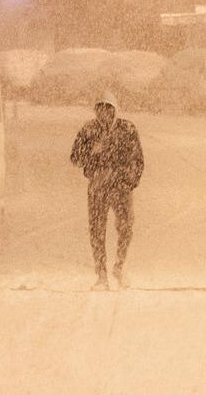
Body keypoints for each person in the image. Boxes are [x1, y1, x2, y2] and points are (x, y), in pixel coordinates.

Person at [69, 90, 143, 289]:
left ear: (114, 109)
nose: (104, 113)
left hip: (121, 188)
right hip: (98, 187)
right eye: (100, 108)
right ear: (96, 111)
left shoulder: (127, 129)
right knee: (96, 230)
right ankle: (101, 273)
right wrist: (92, 150)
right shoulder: (89, 130)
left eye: (108, 108)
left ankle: (120, 265)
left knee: (126, 228)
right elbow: (75, 157)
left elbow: (138, 159)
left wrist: (129, 181)